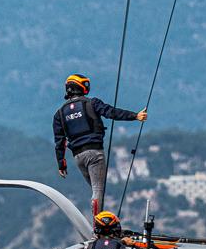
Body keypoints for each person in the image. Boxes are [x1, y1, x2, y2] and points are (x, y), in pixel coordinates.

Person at [53, 73, 147, 216]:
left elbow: (59, 141)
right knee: (98, 190)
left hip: (78, 157)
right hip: (95, 153)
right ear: (79, 87)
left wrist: (62, 164)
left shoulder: (59, 113)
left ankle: (99, 223)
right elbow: (112, 113)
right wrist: (135, 116)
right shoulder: (92, 103)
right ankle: (98, 227)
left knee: (96, 190)